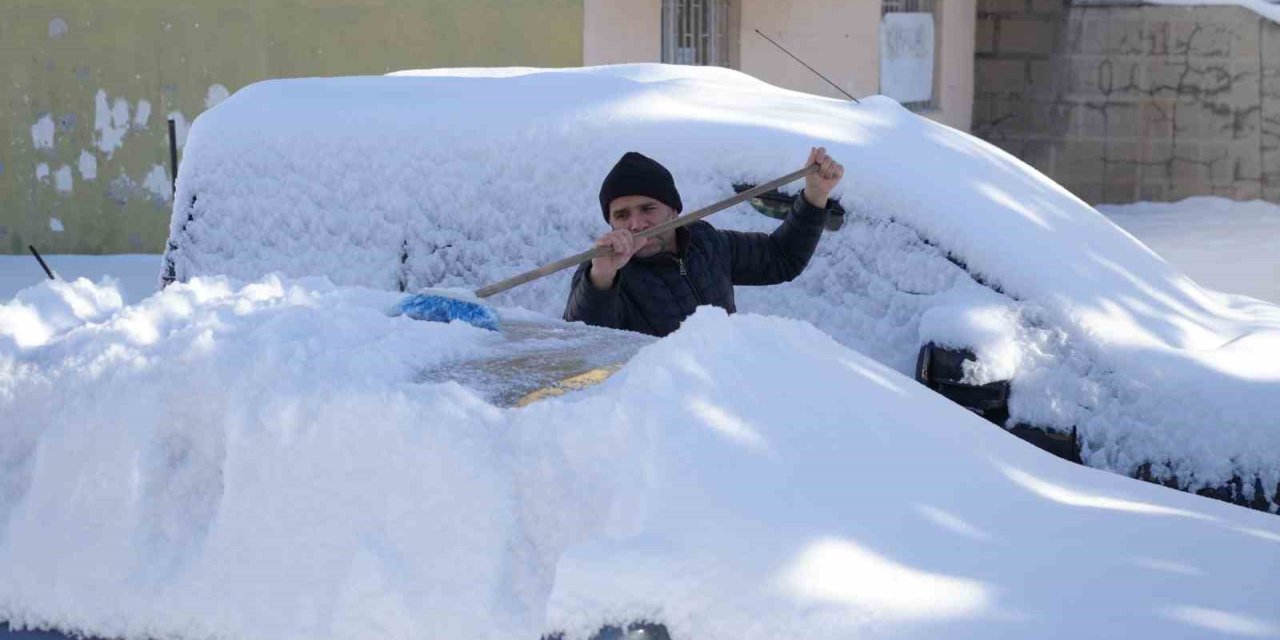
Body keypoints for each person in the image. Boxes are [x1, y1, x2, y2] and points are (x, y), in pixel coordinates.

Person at [564, 148, 843, 337]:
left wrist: (815, 196)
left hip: (724, 390)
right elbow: (584, 347)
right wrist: (601, 278)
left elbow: (780, 259)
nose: (636, 224)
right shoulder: (602, 272)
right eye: (622, 215)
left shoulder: (705, 242)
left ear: (674, 210)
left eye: (647, 209)